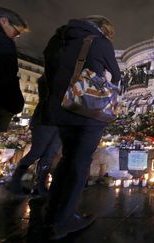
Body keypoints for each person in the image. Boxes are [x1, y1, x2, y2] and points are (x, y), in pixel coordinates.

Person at [41, 16, 121, 240]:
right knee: (78, 165)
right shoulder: (99, 41)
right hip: (88, 110)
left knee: (67, 160)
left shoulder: (57, 40)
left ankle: (52, 214)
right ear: (104, 28)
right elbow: (116, 74)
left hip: (61, 107)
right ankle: (63, 221)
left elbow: (49, 73)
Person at [6, 76, 62, 197]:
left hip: (60, 121)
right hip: (45, 119)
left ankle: (40, 186)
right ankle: (15, 182)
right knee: (37, 152)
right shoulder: (49, 77)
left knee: (49, 154)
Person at [0, 7, 29, 137]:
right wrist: (15, 105)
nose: (15, 38)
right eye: (16, 32)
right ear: (3, 21)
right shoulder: (2, 42)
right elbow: (5, 79)